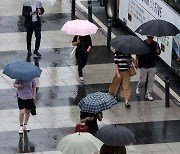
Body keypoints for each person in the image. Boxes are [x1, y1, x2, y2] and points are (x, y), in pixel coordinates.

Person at [135, 36, 161, 101]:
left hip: (152, 64)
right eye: (150, 37)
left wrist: (158, 51)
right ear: (147, 37)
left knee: (151, 81)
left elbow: (158, 53)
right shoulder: (142, 44)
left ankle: (148, 93)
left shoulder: (155, 44)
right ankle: (139, 86)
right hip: (143, 64)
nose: (151, 38)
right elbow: (137, 54)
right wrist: (136, 62)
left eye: (152, 37)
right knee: (142, 80)